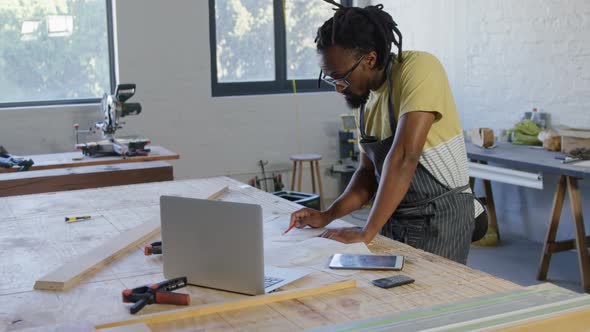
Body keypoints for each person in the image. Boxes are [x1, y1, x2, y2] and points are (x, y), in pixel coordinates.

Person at [288, 1, 486, 264]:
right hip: (393, 218)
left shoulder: (419, 68)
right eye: (331, 79)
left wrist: (366, 231)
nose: (338, 88)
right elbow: (367, 175)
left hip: (440, 218)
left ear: (369, 59)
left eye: (341, 78)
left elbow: (405, 157)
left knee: (430, 301)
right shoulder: (365, 102)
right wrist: (328, 215)